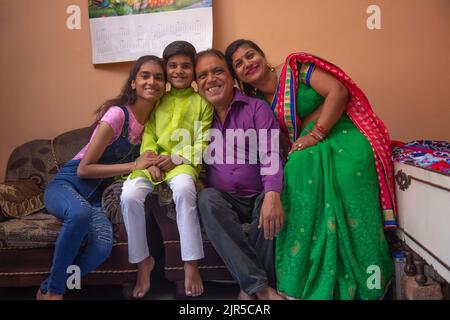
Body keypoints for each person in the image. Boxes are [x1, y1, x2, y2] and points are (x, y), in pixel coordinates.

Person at [225, 39, 396, 300]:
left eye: (250, 55)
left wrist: (316, 133)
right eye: (238, 63)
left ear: (262, 55)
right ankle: (305, 277)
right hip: (307, 146)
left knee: (347, 176)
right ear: (236, 75)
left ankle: (368, 277)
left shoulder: (296, 69)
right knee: (294, 172)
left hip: (343, 132)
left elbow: (338, 91)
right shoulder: (256, 102)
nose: (247, 64)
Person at [37, 55, 166, 300]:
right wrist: (134, 164)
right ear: (133, 83)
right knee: (79, 214)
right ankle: (55, 293)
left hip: (96, 200)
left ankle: (45, 288)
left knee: (102, 246)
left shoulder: (154, 123)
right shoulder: (118, 115)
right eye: (145, 76)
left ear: (165, 85)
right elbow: (84, 169)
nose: (152, 82)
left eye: (159, 77)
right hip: (66, 185)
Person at [120, 41, 213, 299]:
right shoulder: (157, 99)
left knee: (184, 190)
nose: (179, 71)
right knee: (129, 195)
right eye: (173, 66)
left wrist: (177, 158)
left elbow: (203, 140)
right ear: (166, 69)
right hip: (152, 163)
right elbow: (148, 134)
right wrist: (150, 161)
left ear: (193, 71)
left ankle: (191, 263)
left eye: (186, 66)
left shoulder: (202, 102)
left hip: (182, 163)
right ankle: (143, 262)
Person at [195, 49, 285, 300]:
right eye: (202, 75)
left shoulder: (256, 108)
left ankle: (250, 289)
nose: (210, 79)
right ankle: (262, 290)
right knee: (206, 199)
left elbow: (271, 154)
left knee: (269, 204)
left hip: (258, 192)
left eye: (217, 71)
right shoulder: (198, 117)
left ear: (232, 76)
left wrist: (271, 195)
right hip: (224, 199)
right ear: (197, 85)